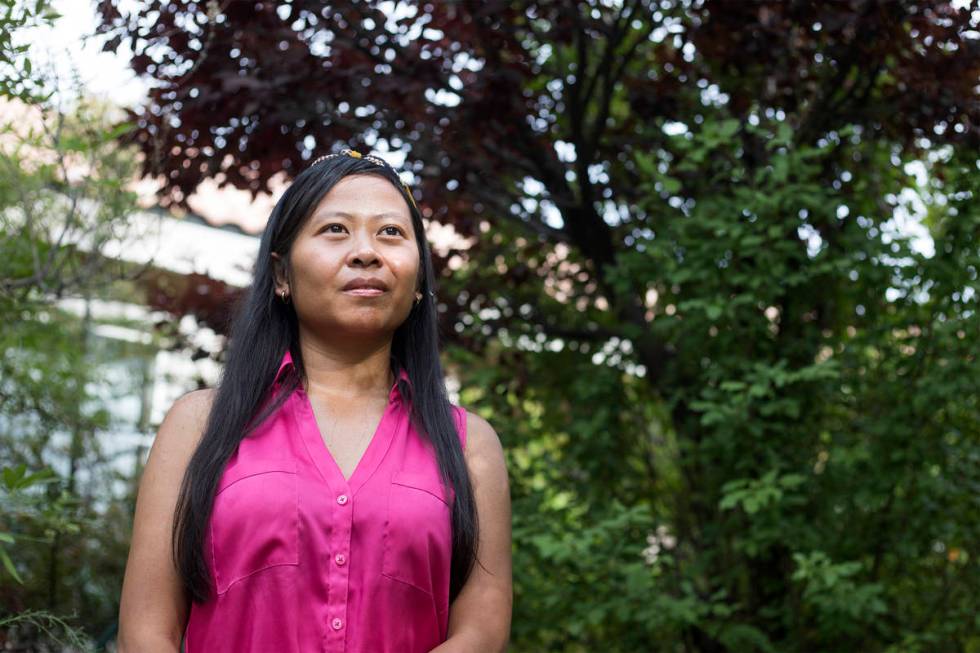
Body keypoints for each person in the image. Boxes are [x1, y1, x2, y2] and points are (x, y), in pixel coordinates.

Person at [116, 148, 513, 652]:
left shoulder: (469, 446)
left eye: (391, 232)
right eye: (335, 230)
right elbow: (145, 632)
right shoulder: (198, 426)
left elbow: (481, 632)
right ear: (282, 275)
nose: (366, 252)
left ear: (417, 285)